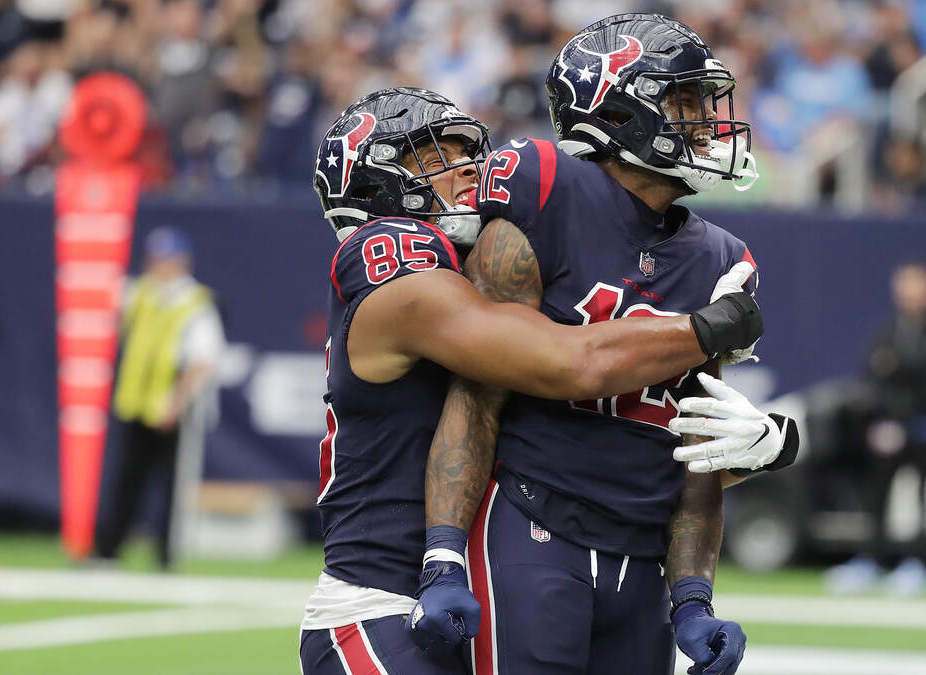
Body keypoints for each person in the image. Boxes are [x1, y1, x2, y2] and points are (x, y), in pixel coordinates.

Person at [296, 87, 767, 675]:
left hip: (470, 590)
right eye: (435, 157)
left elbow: (585, 432)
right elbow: (569, 362)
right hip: (381, 598)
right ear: (372, 187)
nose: (467, 167)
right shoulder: (390, 258)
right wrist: (703, 327)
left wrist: (761, 449)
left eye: (467, 152)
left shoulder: (480, 266)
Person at [413, 15, 796, 675]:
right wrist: (443, 554)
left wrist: (692, 597)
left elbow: (696, 448)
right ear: (617, 113)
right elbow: (477, 389)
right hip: (533, 524)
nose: (708, 120)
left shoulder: (721, 259)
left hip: (642, 559)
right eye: (685, 101)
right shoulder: (545, 187)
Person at [96, 226, 224, 570]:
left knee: (171, 486)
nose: (158, 266)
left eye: (166, 259)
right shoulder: (139, 293)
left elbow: (203, 360)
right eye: (155, 258)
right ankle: (107, 551)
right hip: (136, 402)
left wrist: (177, 401)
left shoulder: (196, 302)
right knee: (125, 480)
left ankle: (166, 557)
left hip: (173, 407)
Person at [825, 261, 926, 597]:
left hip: (925, 429)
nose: (909, 293)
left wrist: (896, 366)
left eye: (916, 286)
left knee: (920, 496)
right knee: (877, 495)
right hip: (888, 427)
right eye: (904, 286)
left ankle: (918, 563)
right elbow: (873, 367)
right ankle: (870, 560)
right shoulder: (889, 329)